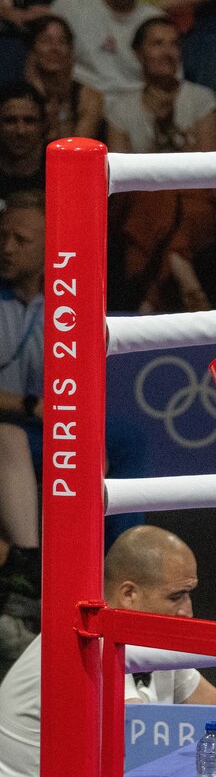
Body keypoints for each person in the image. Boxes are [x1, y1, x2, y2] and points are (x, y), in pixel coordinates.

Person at [0, 524, 216, 777]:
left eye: (189, 594)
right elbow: (141, 744)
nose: (188, 610)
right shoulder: (89, 641)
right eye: (176, 597)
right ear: (129, 594)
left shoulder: (150, 636)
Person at [105, 15, 216, 313]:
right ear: (138, 53)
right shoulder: (121, 109)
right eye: (157, 44)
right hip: (138, 204)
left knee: (172, 211)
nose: (167, 51)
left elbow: (213, 170)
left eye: (174, 43)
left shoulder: (200, 99)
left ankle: (150, 302)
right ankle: (191, 289)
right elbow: (118, 176)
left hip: (195, 202)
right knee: (153, 202)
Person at [0, 189, 44, 682]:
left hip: (56, 427)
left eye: (20, 239)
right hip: (17, 428)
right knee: (8, 435)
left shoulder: (70, 301)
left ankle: (113, 560)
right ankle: (29, 570)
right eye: (2, 238)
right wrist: (33, 406)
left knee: (120, 441)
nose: (7, 247)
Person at [22, 15, 103, 141]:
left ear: (71, 51)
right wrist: (38, 95)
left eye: (62, 42)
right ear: (32, 49)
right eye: (45, 41)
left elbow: (76, 149)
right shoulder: (15, 97)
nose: (54, 49)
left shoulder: (89, 96)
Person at [0, 81, 45, 199]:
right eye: (10, 121)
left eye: (29, 121)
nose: (21, 131)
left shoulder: (59, 170)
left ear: (43, 124)